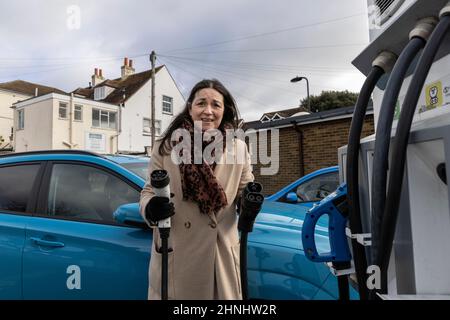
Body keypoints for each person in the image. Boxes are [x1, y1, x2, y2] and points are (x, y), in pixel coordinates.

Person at [139, 79, 254, 300]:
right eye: (201, 103)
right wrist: (152, 207)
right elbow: (148, 192)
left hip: (220, 258)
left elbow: (244, 188)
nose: (208, 111)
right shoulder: (165, 146)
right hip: (178, 257)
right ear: (190, 107)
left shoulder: (238, 147)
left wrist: (248, 200)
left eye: (216, 105)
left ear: (225, 110)